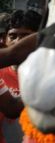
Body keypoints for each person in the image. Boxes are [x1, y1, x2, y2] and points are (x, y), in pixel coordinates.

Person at [0, 10, 40, 142]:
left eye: (25, 36)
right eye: (13, 36)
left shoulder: (54, 76)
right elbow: (11, 109)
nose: (18, 42)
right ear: (4, 39)